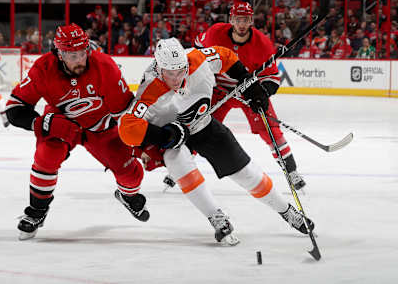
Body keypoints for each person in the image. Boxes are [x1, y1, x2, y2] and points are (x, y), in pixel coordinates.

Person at [118, 38, 314, 245]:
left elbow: (226, 55)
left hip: (204, 126)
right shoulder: (149, 88)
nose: (176, 79)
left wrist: (249, 85)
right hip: (176, 137)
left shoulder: (197, 58)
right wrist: (165, 136)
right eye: (170, 73)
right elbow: (127, 127)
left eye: (180, 71)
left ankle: (286, 210)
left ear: (186, 63)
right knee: (179, 165)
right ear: (159, 68)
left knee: (247, 174)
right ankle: (216, 216)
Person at [5, 23, 149, 240]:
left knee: (131, 174)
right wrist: (42, 124)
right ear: (59, 54)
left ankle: (126, 195)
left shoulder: (105, 66)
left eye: (82, 53)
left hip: (100, 126)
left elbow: (124, 111)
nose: (79, 60)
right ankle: (37, 211)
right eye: (72, 56)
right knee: (46, 155)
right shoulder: (43, 68)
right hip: (63, 124)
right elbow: (14, 109)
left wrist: (140, 143)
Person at [193, 2, 306, 190]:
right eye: (238, 19)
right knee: (200, 125)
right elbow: (197, 46)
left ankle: (292, 172)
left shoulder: (262, 43)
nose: (242, 24)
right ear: (231, 20)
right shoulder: (215, 33)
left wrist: (262, 95)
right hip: (219, 90)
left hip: (249, 91)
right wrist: (204, 76)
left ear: (251, 20)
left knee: (271, 130)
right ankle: (181, 169)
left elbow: (272, 77)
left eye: (245, 19)